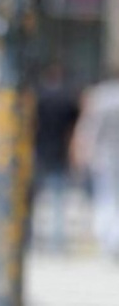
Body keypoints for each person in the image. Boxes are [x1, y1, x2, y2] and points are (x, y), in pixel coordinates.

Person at [29, 62, 79, 251]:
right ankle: (56, 242)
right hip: (58, 152)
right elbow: (73, 129)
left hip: (40, 151)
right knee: (58, 200)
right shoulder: (67, 100)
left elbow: (31, 125)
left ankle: (29, 237)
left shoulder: (40, 98)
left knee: (33, 198)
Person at [71, 70, 119, 259]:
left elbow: (88, 130)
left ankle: (109, 242)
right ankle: (112, 241)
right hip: (107, 156)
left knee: (105, 198)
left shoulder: (99, 98)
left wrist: (81, 152)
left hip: (102, 157)